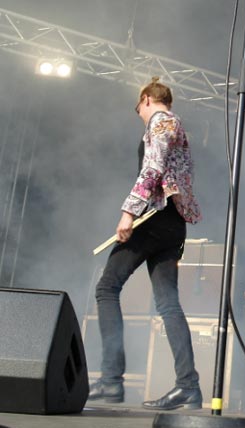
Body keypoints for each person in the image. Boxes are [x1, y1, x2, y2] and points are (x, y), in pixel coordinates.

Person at [88, 77, 203, 410]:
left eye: (137, 105)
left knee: (107, 288)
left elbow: (152, 168)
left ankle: (111, 380)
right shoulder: (175, 127)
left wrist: (128, 212)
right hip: (172, 224)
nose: (137, 112)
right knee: (168, 303)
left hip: (153, 219)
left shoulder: (162, 121)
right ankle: (188, 386)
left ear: (147, 99)